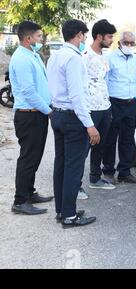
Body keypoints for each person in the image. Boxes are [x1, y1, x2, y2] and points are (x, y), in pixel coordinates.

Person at [47, 19, 98, 228]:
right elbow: (77, 96)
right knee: (73, 169)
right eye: (84, 35)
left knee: (61, 165)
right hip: (72, 117)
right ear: (78, 35)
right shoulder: (74, 59)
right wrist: (90, 124)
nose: (85, 39)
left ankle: (62, 210)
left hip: (57, 115)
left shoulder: (55, 56)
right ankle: (69, 216)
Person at [9, 21, 54, 215]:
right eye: (38, 36)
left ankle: (29, 192)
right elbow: (28, 92)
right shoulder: (21, 59)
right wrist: (49, 111)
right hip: (29, 116)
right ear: (28, 39)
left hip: (37, 114)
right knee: (28, 158)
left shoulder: (32, 55)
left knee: (34, 157)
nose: (40, 40)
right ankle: (20, 201)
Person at [78, 19, 117, 199]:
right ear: (99, 36)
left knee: (100, 146)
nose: (111, 40)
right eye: (109, 36)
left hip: (104, 106)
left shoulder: (104, 56)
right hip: (90, 109)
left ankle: (95, 178)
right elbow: (79, 86)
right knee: (83, 148)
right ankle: (76, 185)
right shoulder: (84, 57)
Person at [103, 31, 136, 184]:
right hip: (114, 102)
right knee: (111, 138)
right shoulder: (110, 58)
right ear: (119, 43)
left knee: (128, 138)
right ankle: (108, 171)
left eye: (132, 43)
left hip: (130, 103)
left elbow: (135, 81)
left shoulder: (135, 58)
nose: (129, 46)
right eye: (126, 42)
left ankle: (124, 172)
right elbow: (105, 81)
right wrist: (107, 105)